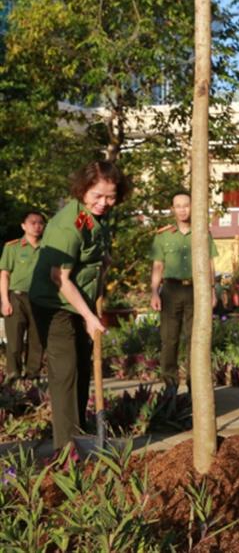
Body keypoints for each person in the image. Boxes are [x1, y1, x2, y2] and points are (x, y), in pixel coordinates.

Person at [29, 161, 130, 449]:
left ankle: (82, 436)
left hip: (80, 301)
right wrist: (89, 316)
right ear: (82, 190)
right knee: (66, 374)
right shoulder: (67, 225)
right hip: (55, 304)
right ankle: (67, 451)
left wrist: (103, 263)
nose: (104, 203)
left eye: (110, 196)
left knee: (83, 370)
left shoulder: (95, 218)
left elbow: (94, 254)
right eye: (97, 195)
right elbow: (59, 277)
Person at [149, 191, 217, 394]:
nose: (182, 209)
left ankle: (194, 387)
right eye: (177, 206)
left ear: (193, 206)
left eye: (185, 205)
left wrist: (212, 290)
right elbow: (158, 265)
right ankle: (170, 387)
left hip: (197, 290)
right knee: (169, 339)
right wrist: (154, 291)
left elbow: (210, 263)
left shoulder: (202, 232)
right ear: (172, 209)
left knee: (195, 339)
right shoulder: (163, 235)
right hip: (171, 290)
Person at [1, 210, 46, 382]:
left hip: (40, 299)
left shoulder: (47, 248)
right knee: (15, 340)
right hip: (17, 298)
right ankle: (13, 376)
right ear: (23, 226)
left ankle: (32, 377)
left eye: (40, 223)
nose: (37, 226)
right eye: (33, 222)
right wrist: (5, 300)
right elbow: (4, 274)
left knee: (37, 340)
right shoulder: (12, 247)